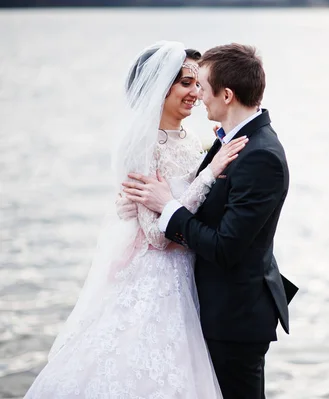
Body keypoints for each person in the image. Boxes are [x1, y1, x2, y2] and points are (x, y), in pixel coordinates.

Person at [24, 41, 248, 398]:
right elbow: (156, 238)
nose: (196, 93)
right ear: (160, 87)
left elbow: (191, 209)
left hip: (191, 275)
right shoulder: (141, 146)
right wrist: (208, 176)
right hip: (157, 279)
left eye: (197, 84)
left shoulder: (194, 141)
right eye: (186, 83)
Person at [121, 43, 298, 399]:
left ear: (227, 95)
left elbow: (226, 247)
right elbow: (206, 202)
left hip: (234, 316)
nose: (198, 95)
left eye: (201, 84)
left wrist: (167, 206)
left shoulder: (260, 155)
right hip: (208, 304)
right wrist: (139, 208)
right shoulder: (231, 141)